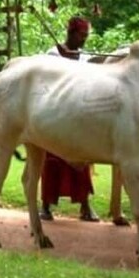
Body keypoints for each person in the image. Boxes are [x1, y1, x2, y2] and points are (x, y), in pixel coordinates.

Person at [40, 16, 99, 222]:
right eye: (82, 36)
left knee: (81, 161)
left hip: (77, 117)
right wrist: (63, 60)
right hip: (55, 115)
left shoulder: (84, 57)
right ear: (71, 34)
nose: (84, 40)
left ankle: (85, 207)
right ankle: (46, 207)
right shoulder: (52, 55)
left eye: (86, 36)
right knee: (52, 160)